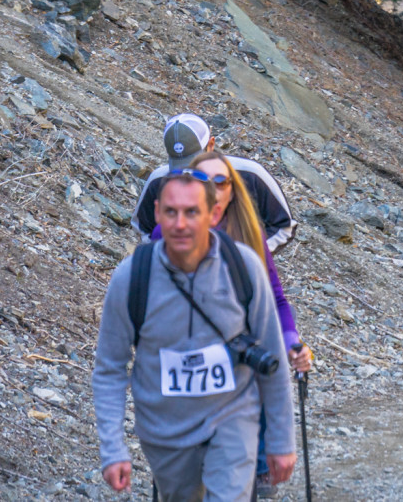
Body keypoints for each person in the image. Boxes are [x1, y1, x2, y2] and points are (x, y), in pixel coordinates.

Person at [93, 169, 296, 500]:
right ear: (157, 212)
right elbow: (109, 369)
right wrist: (113, 449)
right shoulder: (132, 277)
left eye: (192, 212)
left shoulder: (243, 267)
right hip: (164, 434)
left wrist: (281, 440)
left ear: (214, 214)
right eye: (171, 212)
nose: (180, 223)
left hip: (232, 420)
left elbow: (272, 356)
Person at [148, 151, 313, 498]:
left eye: (220, 181)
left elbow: (276, 300)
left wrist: (291, 342)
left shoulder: (250, 235)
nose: (211, 188)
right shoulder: (164, 233)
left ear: (232, 191)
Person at [132, 114, 297, 254]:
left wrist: (250, 256)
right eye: (179, 166)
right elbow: (144, 226)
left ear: (211, 145)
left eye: (194, 163)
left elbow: (284, 226)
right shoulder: (159, 180)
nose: (187, 174)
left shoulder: (250, 175)